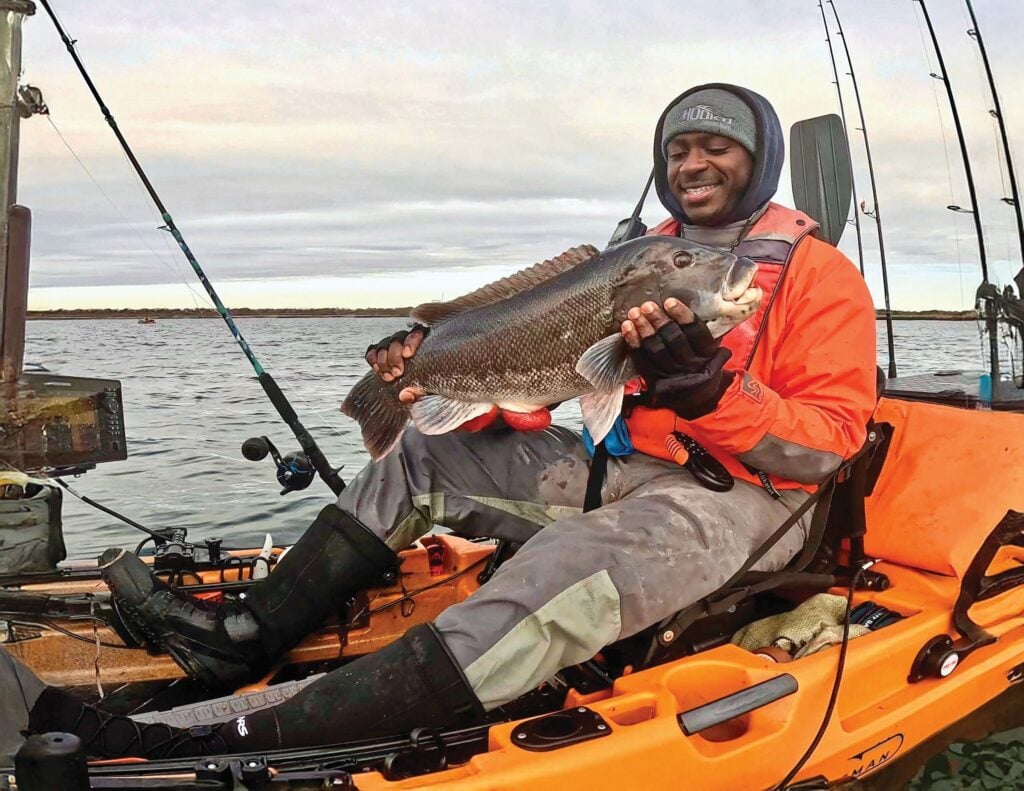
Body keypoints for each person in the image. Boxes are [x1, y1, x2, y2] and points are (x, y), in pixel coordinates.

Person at [13, 84, 878, 758]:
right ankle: (244, 635)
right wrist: (446, 366)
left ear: (759, 160)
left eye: (717, 147)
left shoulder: (816, 274)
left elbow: (826, 446)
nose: (694, 162)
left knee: (566, 563)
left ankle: (252, 735)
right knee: (426, 447)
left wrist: (710, 392)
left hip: (745, 503)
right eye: (679, 149)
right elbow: (551, 388)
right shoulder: (634, 253)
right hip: (620, 471)